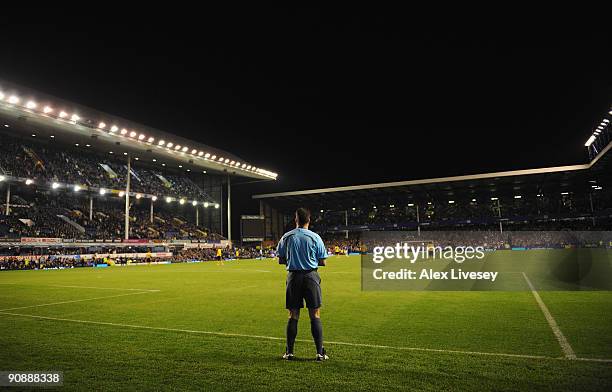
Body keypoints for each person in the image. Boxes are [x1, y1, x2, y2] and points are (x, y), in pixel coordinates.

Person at [276, 207, 329, 361]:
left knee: (293, 315)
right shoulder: (315, 237)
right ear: (309, 220)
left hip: (293, 277)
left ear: (296, 220)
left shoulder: (287, 237)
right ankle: (320, 353)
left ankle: (290, 352)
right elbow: (323, 261)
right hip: (311, 276)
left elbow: (280, 259)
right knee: (315, 315)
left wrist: (293, 260)